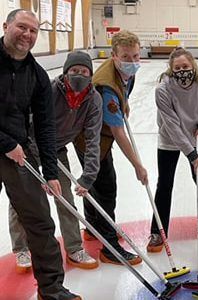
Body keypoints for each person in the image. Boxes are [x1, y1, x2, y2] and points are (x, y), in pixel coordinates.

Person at [0, 8, 80, 299]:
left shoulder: (37, 75)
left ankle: (52, 289)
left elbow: (45, 128)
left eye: (33, 31)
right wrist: (5, 143)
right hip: (8, 146)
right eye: (22, 27)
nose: (27, 35)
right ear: (6, 25)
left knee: (40, 221)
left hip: (18, 153)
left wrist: (50, 172)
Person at [8, 51, 102, 272]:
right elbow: (26, 119)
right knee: (22, 198)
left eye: (84, 71)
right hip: (29, 146)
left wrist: (88, 176)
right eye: (74, 71)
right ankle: (21, 248)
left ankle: (74, 248)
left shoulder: (93, 100)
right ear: (66, 72)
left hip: (57, 149)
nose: (79, 75)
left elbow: (92, 139)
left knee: (65, 198)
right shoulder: (49, 90)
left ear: (90, 74)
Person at [74, 30, 147, 265]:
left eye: (136, 56)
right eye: (126, 57)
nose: (133, 62)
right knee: (106, 188)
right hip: (91, 140)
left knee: (94, 181)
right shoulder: (105, 87)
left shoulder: (125, 73)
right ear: (113, 56)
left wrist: (122, 104)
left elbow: (122, 92)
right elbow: (117, 131)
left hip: (98, 133)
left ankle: (92, 225)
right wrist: (138, 165)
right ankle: (109, 248)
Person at [147, 47, 198, 252]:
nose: (182, 70)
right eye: (177, 68)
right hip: (170, 140)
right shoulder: (163, 89)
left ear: (193, 65)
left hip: (196, 137)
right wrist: (191, 153)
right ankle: (157, 231)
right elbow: (171, 125)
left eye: (185, 66)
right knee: (164, 184)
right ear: (171, 69)